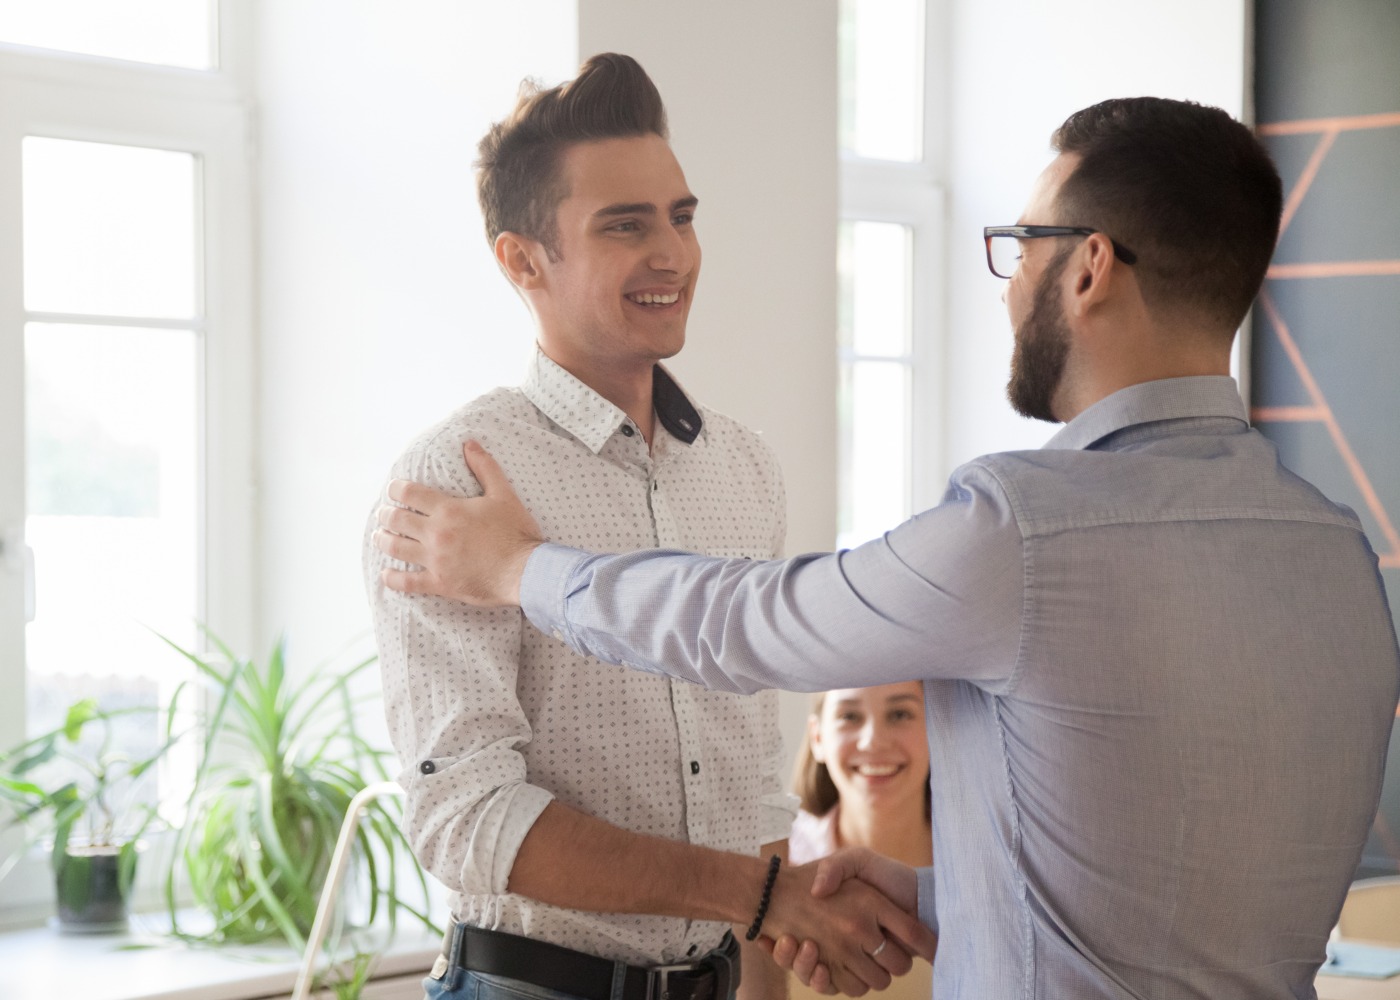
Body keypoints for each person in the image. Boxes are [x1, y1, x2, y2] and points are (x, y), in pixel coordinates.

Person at [373, 94, 1400, 998]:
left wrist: (516, 567)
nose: (1006, 286)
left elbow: (743, 626)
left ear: (1087, 268)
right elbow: (1168, 884)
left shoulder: (1017, 529)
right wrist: (917, 897)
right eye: (626, 224)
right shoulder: (1335, 553)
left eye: (1021, 245)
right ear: (520, 260)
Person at [364, 52, 932, 1000]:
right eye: (624, 226)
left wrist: (764, 946)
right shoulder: (453, 476)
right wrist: (758, 896)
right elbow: (467, 816)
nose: (672, 253)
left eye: (681, 216)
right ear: (522, 259)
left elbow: (749, 778)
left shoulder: (742, 468)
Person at [788, 685, 933, 1000]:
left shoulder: (988, 866)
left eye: (899, 714)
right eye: (849, 716)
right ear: (818, 737)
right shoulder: (779, 866)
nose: (873, 741)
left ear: (939, 729)